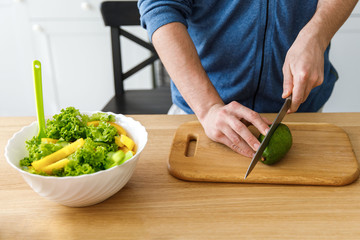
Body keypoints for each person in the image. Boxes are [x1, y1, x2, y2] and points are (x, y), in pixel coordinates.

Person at [138, 0, 358, 157]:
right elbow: (160, 7)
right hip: (200, 116)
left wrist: (317, 34)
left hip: (302, 114)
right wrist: (207, 108)